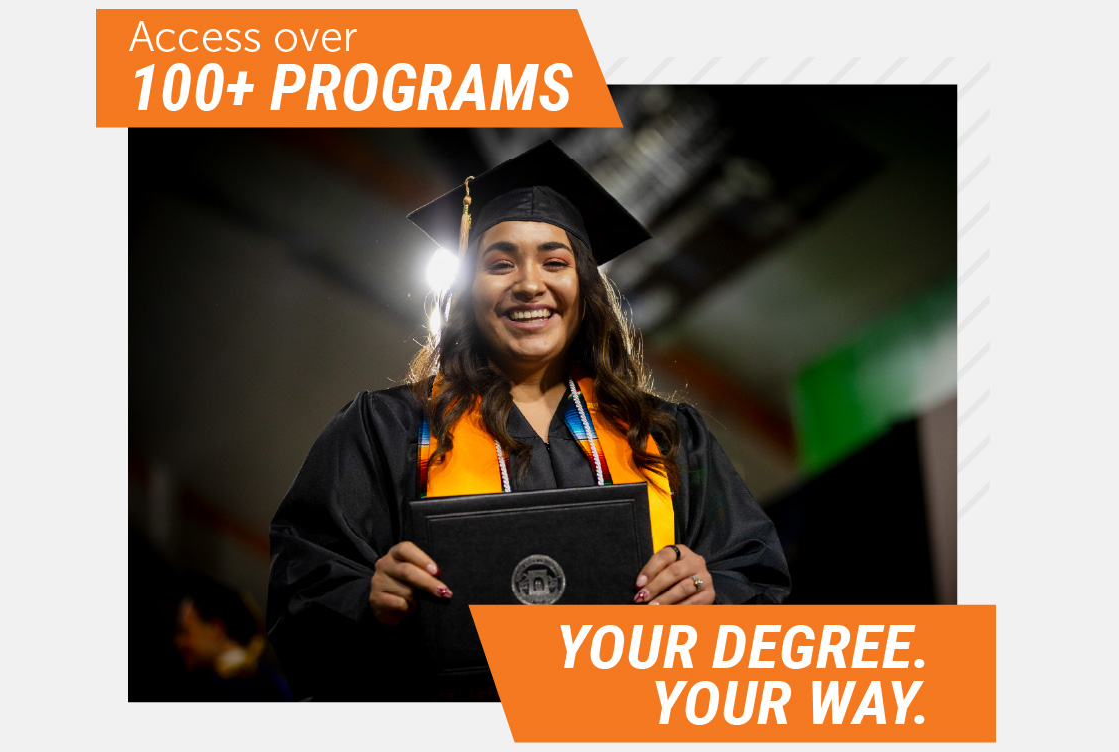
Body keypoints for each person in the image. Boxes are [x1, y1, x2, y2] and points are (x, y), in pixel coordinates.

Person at [267, 141, 790, 701]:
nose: (529, 283)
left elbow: (755, 580)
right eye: (500, 263)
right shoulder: (386, 430)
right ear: (468, 290)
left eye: (554, 261)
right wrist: (369, 599)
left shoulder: (665, 436)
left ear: (585, 287)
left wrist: (711, 594)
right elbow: (303, 586)